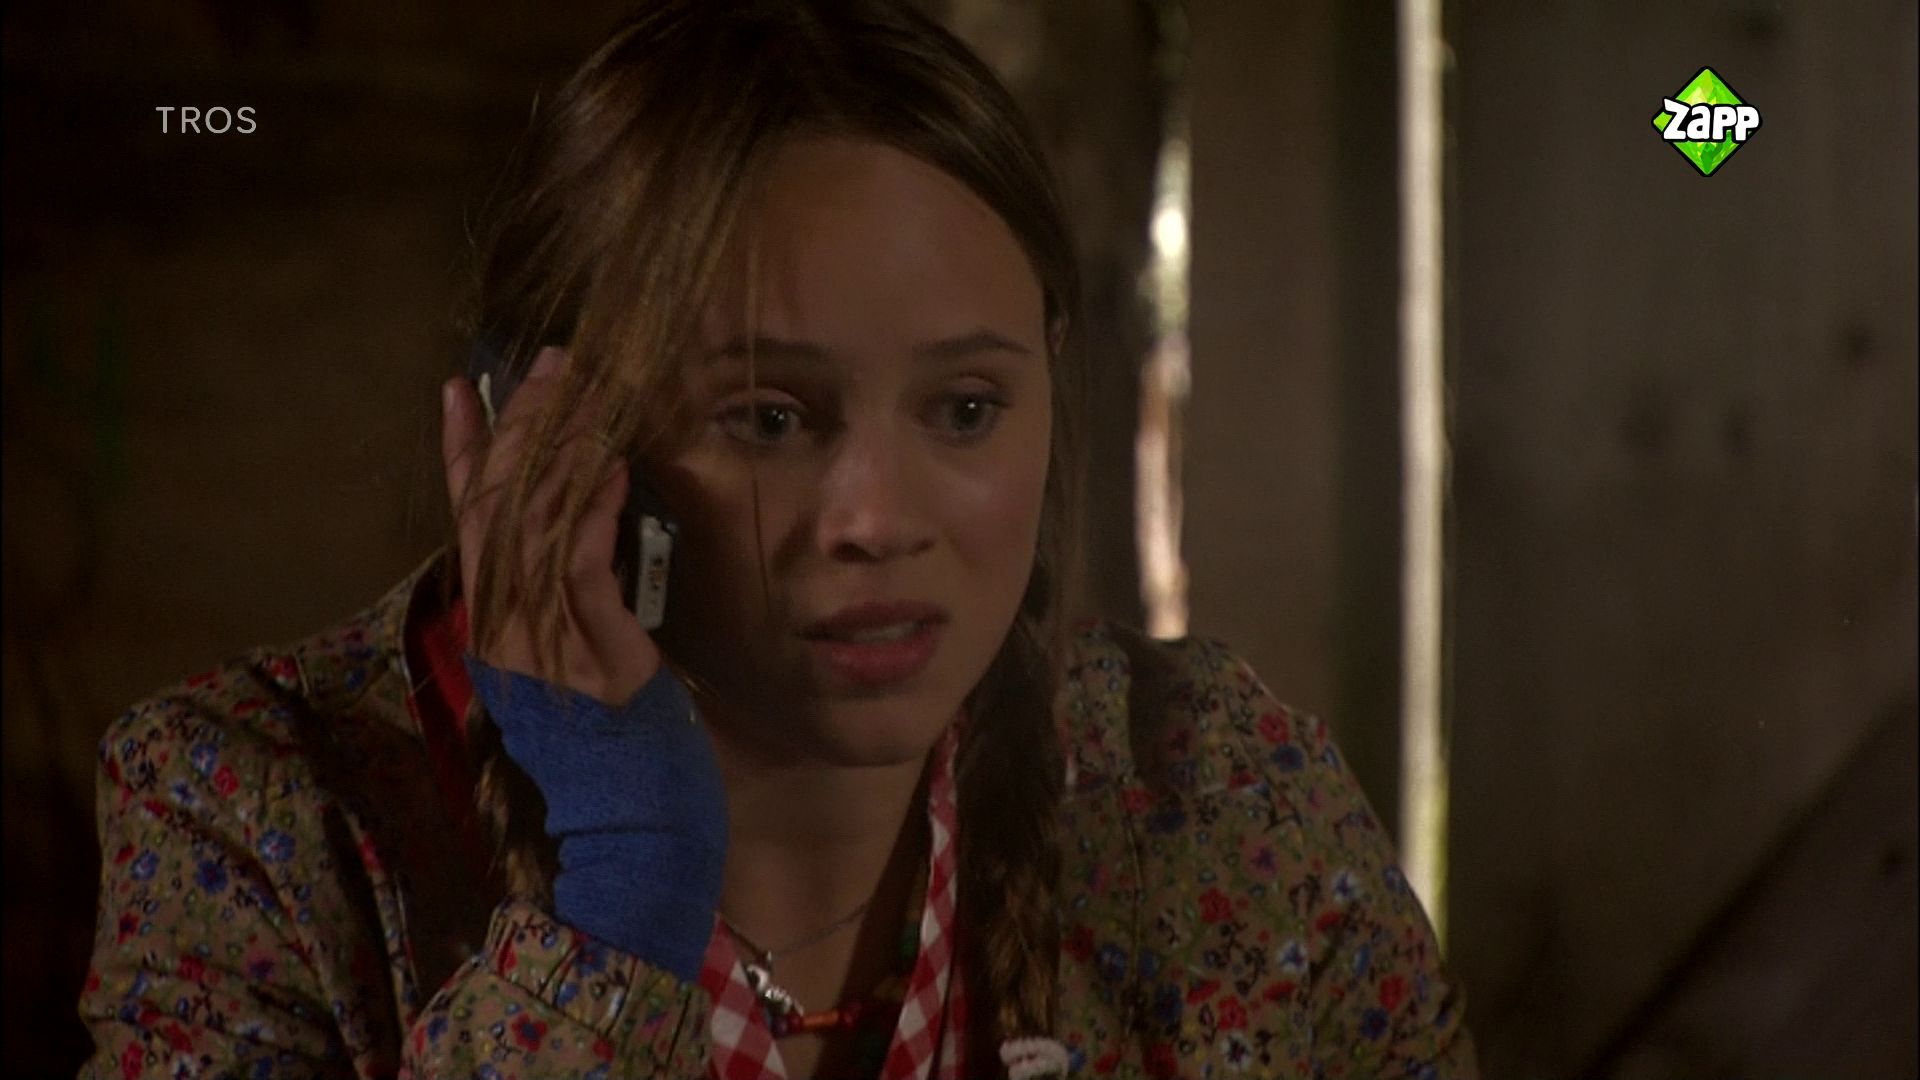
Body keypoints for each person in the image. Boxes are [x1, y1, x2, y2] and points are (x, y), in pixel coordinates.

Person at [77, 2, 1477, 1077]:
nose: (878, 521)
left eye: (967, 408)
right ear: (540, 426)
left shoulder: (1216, 796)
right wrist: (619, 891)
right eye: (768, 418)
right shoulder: (260, 826)